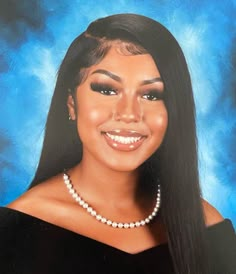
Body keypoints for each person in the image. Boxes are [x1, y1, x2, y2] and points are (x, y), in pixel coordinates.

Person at [0, 13, 235, 274]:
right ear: (71, 104)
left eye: (151, 94)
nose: (129, 113)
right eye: (107, 90)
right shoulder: (15, 232)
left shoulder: (207, 228)